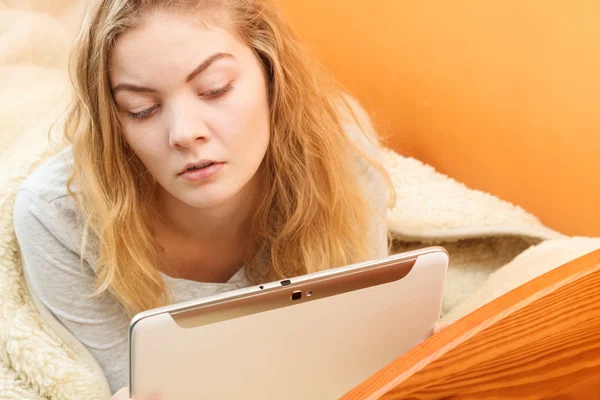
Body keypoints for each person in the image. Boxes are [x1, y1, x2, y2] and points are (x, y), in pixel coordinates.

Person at [13, 0, 395, 398]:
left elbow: (363, 363)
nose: (183, 132)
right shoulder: (58, 216)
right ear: (113, 119)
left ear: (271, 73)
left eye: (215, 89)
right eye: (141, 109)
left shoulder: (344, 168)